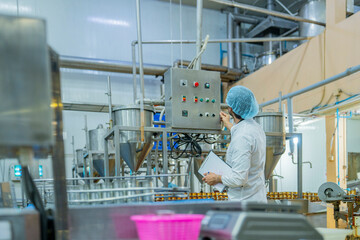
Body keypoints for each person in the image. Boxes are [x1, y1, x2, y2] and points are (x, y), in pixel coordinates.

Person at [202, 86, 267, 202]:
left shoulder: (242, 137)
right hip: (257, 199)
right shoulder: (256, 128)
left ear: (230, 109)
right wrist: (228, 124)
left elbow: (239, 179)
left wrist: (216, 178)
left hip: (244, 203)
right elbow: (242, 134)